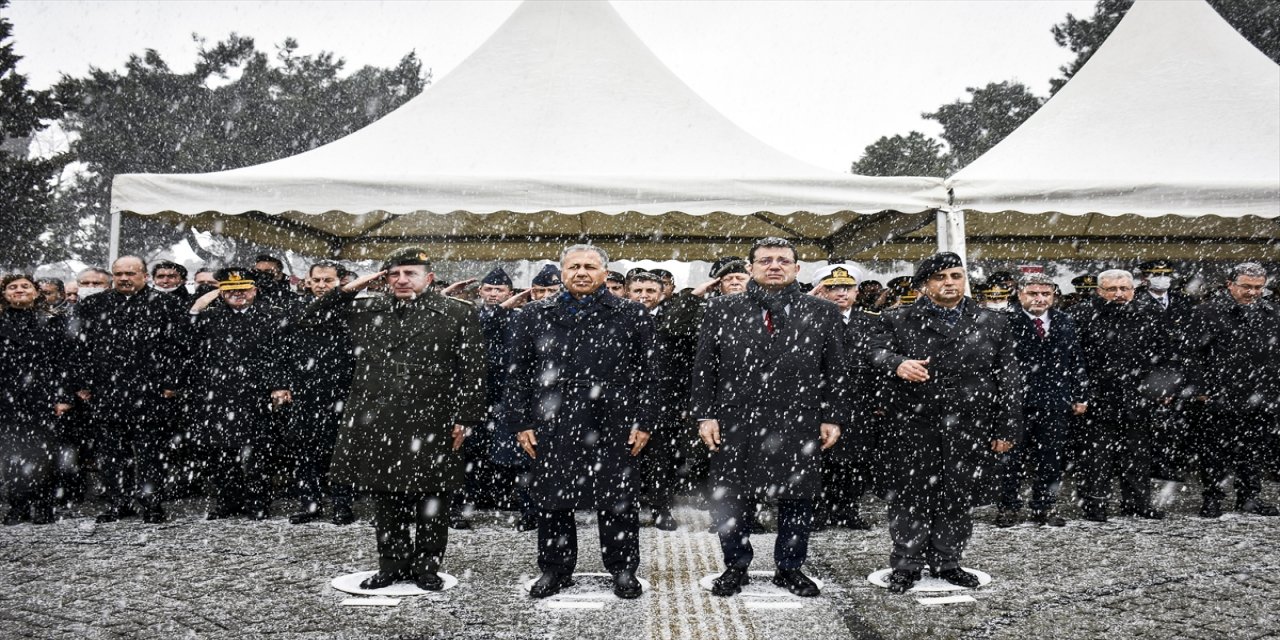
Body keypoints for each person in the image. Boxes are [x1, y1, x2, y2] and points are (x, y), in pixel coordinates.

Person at [300, 248, 485, 591]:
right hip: (381, 416)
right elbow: (309, 319)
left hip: (433, 416)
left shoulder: (456, 312)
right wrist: (349, 289)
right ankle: (392, 564)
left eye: (410, 273)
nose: (401, 280)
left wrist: (466, 416)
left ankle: (427, 566)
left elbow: (473, 370)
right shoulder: (367, 308)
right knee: (386, 497)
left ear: (429, 278)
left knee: (433, 496)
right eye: (394, 273)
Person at [692, 237, 845, 598]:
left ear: (797, 268)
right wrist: (704, 415)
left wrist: (833, 416)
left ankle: (790, 568)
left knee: (797, 498)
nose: (774, 266)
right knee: (733, 497)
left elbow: (836, 369)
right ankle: (735, 566)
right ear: (751, 268)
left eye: (783, 260)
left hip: (799, 418)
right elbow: (705, 367)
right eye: (765, 260)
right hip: (736, 418)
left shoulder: (822, 311)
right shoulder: (721, 308)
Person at [505, 244, 656, 600]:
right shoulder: (534, 314)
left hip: (614, 418)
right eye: (574, 267)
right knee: (553, 499)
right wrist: (521, 422)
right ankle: (554, 569)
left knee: (617, 498)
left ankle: (623, 569)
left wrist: (645, 421)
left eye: (590, 266)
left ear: (605, 273)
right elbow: (517, 374)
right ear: (562, 272)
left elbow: (651, 375)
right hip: (553, 418)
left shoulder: (631, 313)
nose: (582, 273)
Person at [868, 252, 1021, 593]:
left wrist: (1007, 426)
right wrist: (897, 363)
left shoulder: (992, 321)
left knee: (957, 495)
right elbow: (874, 351)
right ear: (924, 285)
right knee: (910, 496)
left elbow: (1009, 377)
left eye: (956, 275)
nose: (950, 282)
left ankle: (948, 561)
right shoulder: (898, 318)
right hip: (913, 422)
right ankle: (906, 564)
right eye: (940, 277)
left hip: (970, 423)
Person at [70, 256, 190, 524]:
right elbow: (79, 347)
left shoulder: (166, 304)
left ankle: (151, 502)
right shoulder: (93, 305)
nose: (124, 278)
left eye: (131, 273)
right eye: (119, 274)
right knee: (111, 452)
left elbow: (179, 348)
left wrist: (172, 383)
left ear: (144, 276)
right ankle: (117, 502)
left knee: (151, 452)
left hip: (151, 391)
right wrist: (82, 383)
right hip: (106, 390)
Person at [188, 268, 293, 520]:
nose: (238, 294)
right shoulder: (209, 316)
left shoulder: (273, 316)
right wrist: (196, 307)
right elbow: (186, 340)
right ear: (221, 292)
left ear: (254, 290)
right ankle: (228, 501)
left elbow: (283, 353)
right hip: (218, 393)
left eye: (243, 289)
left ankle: (258, 502)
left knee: (258, 452)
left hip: (257, 393)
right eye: (230, 290)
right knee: (221, 452)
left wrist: (279, 384)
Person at [1073, 269, 1172, 523]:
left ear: (1133, 290)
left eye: (1124, 289)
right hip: (1098, 397)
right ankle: (1095, 504)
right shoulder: (1082, 314)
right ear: (1099, 291)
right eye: (1112, 289)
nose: (1119, 294)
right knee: (1096, 457)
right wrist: (1081, 392)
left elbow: (1165, 353)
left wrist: (1163, 387)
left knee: (1137, 455)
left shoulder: (1150, 313)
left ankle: (1137, 503)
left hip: (1138, 397)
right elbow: (1074, 358)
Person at [1183, 262, 1279, 518]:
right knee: (1214, 452)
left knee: (1254, 450)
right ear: (1230, 284)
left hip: (1262, 394)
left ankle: (1249, 497)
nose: (1252, 292)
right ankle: (1212, 497)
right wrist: (1200, 388)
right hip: (1220, 394)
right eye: (1246, 286)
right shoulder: (1207, 312)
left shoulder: (1272, 312)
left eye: (1258, 287)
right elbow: (1191, 354)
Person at [996, 273, 1088, 527]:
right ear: (1020, 294)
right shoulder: (1004, 321)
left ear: (1053, 296)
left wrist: (1080, 394)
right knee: (1010, 459)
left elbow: (1075, 359)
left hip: (1055, 401)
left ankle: (1045, 506)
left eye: (1045, 294)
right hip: (1016, 402)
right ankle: (1008, 507)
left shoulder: (1065, 320)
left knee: (1050, 458)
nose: (1039, 298)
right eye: (1033, 293)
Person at [284, 262, 357, 525]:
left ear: (340, 282)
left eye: (328, 280)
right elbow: (283, 348)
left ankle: (342, 504)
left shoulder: (352, 309)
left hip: (342, 389)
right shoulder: (295, 307)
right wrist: (283, 383)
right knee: (305, 450)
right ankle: (310, 504)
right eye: (316, 280)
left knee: (340, 450)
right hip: (304, 389)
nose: (321, 285)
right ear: (308, 282)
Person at [809, 264, 877, 531]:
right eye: (833, 288)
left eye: (847, 288)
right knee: (821, 458)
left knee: (855, 460)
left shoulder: (872, 321)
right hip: (821, 398)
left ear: (857, 292)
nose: (841, 293)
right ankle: (818, 510)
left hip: (859, 399)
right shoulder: (811, 319)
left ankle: (847, 509)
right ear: (821, 291)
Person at [1, 275, 73, 525]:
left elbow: (64, 362)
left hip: (43, 396)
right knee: (11, 454)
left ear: (36, 292)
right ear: (4, 294)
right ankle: (17, 504)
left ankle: (43, 504)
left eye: (25, 286)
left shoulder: (54, 322)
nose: (19, 290)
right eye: (12, 287)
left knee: (44, 454)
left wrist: (63, 396)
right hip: (7, 398)